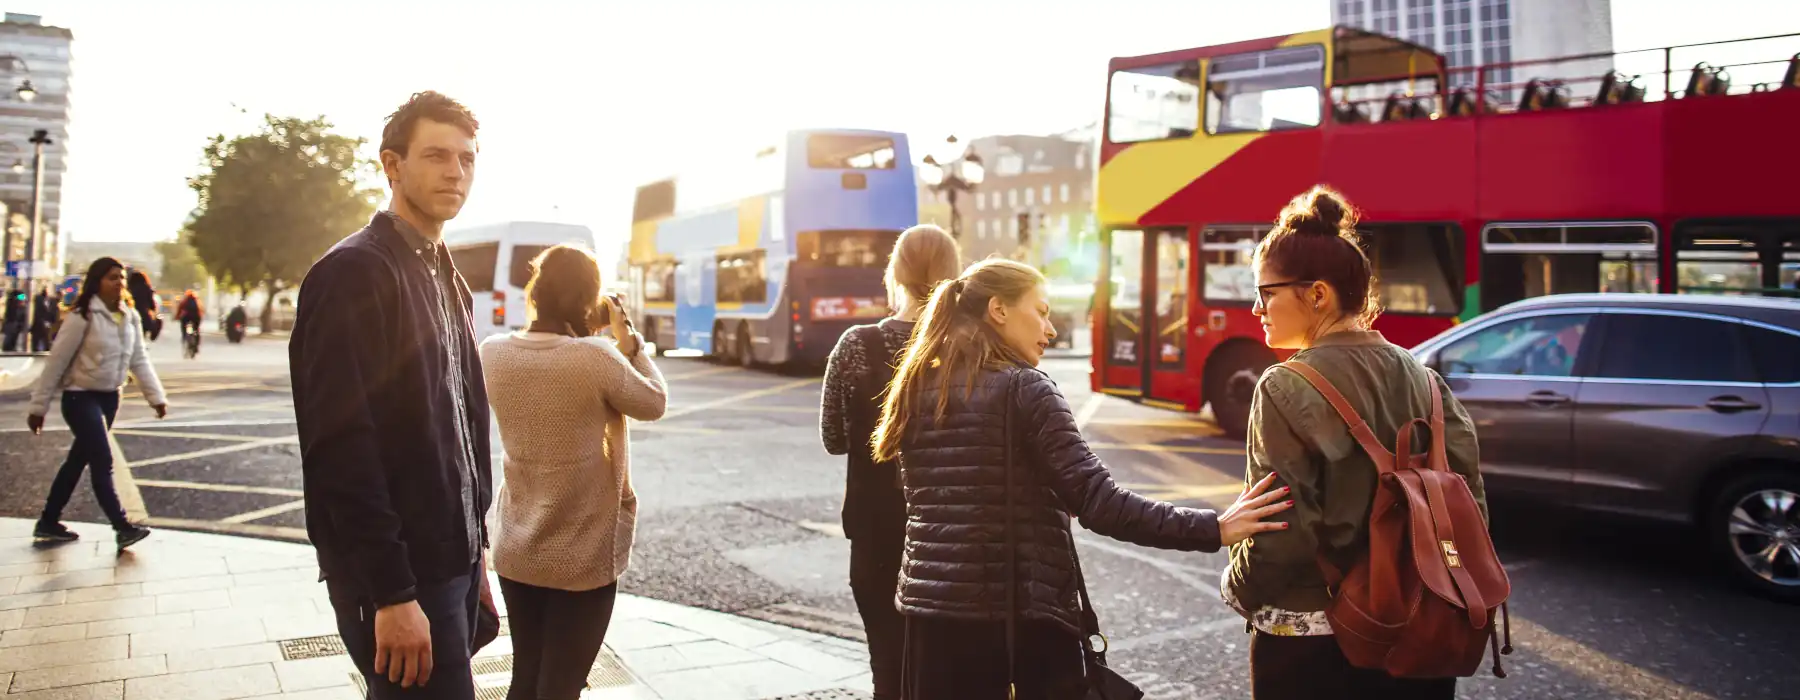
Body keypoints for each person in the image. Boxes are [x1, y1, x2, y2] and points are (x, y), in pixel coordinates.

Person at [869, 258, 1293, 699]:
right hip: (1017, 627)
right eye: (1042, 311)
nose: (1050, 330)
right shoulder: (1026, 388)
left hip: (929, 623)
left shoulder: (917, 387)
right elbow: (1101, 503)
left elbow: (937, 498)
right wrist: (1215, 528)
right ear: (999, 310)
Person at [1220, 186, 1486, 700]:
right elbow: (1468, 500)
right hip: (1420, 631)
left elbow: (1280, 527)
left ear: (1317, 294)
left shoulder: (1284, 385)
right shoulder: (1426, 379)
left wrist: (1238, 585)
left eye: (1267, 292)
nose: (1256, 308)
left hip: (1315, 642)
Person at [291, 91, 494, 699]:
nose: (454, 172)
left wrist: (474, 554)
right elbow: (340, 449)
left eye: (466, 159)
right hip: (401, 579)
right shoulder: (353, 273)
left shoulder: (442, 271)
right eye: (436, 155)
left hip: (449, 563)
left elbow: (456, 427)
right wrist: (392, 593)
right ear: (392, 165)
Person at [480, 245, 666, 700]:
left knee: (525, 676)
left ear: (536, 293)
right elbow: (654, 402)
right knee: (561, 686)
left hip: (517, 546)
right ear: (587, 299)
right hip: (581, 556)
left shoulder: (492, 353)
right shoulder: (596, 357)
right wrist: (631, 345)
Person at [819, 224, 960, 700]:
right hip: (955, 538)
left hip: (877, 529)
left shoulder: (857, 345)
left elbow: (834, 439)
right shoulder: (969, 347)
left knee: (888, 664)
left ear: (894, 273)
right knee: (946, 671)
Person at [25, 257, 164, 550]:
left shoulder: (130, 316)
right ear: (97, 282)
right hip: (80, 397)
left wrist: (156, 398)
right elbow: (57, 362)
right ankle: (122, 526)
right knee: (102, 459)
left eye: (122, 278)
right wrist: (39, 407)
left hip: (111, 396)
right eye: (112, 277)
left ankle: (48, 521)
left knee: (77, 461)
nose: (119, 282)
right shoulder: (83, 316)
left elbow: (139, 359)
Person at [125, 270, 160, 342]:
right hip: (144, 319)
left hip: (129, 318)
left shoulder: (127, 289)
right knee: (141, 339)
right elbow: (152, 305)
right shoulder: (147, 288)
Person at [31, 286, 57, 351]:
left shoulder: (53, 301)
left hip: (48, 324)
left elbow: (54, 311)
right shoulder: (38, 298)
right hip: (38, 324)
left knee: (46, 342)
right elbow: (38, 312)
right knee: (36, 342)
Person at [1, 287, 24, 351]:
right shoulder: (12, 301)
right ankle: (8, 348)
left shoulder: (10, 300)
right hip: (12, 322)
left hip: (13, 322)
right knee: (10, 337)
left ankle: (9, 348)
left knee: (12, 337)